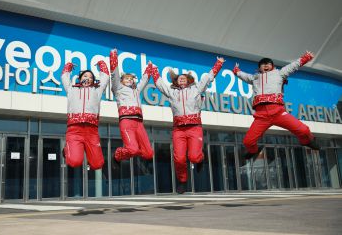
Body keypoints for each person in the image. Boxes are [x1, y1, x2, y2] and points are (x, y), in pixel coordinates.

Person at [152, 57, 224, 194]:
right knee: (179, 158)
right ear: (176, 82)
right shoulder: (172, 93)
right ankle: (183, 181)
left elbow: (208, 78)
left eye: (184, 78)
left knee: (194, 157)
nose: (182, 79)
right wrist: (153, 70)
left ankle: (200, 158)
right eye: (179, 78)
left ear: (189, 81)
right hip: (178, 129)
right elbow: (160, 84)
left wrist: (218, 64)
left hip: (194, 127)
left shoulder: (196, 89)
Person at [233, 51, 320, 160]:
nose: (265, 65)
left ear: (272, 66)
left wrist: (306, 57)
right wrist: (236, 71)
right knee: (248, 141)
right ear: (259, 68)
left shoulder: (279, 73)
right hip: (261, 116)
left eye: (268, 63)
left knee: (304, 130)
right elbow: (244, 76)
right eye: (263, 64)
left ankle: (307, 141)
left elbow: (293, 66)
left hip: (278, 112)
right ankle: (253, 151)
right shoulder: (255, 78)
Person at [61, 60, 110, 170]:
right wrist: (68, 66)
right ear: (80, 78)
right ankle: (67, 150)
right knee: (74, 162)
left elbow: (105, 77)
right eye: (85, 75)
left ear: (93, 80)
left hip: (92, 131)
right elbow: (64, 77)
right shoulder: (71, 89)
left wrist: (101, 64)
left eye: (90, 76)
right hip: (74, 129)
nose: (87, 77)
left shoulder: (97, 90)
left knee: (98, 164)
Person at [110, 48, 154, 166]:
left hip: (139, 123)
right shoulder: (118, 88)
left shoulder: (136, 90)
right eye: (126, 78)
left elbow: (144, 80)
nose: (129, 80)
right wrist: (114, 57)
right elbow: (114, 75)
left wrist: (149, 68)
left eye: (131, 78)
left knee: (149, 153)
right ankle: (118, 154)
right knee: (133, 149)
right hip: (126, 121)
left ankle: (132, 151)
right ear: (121, 81)